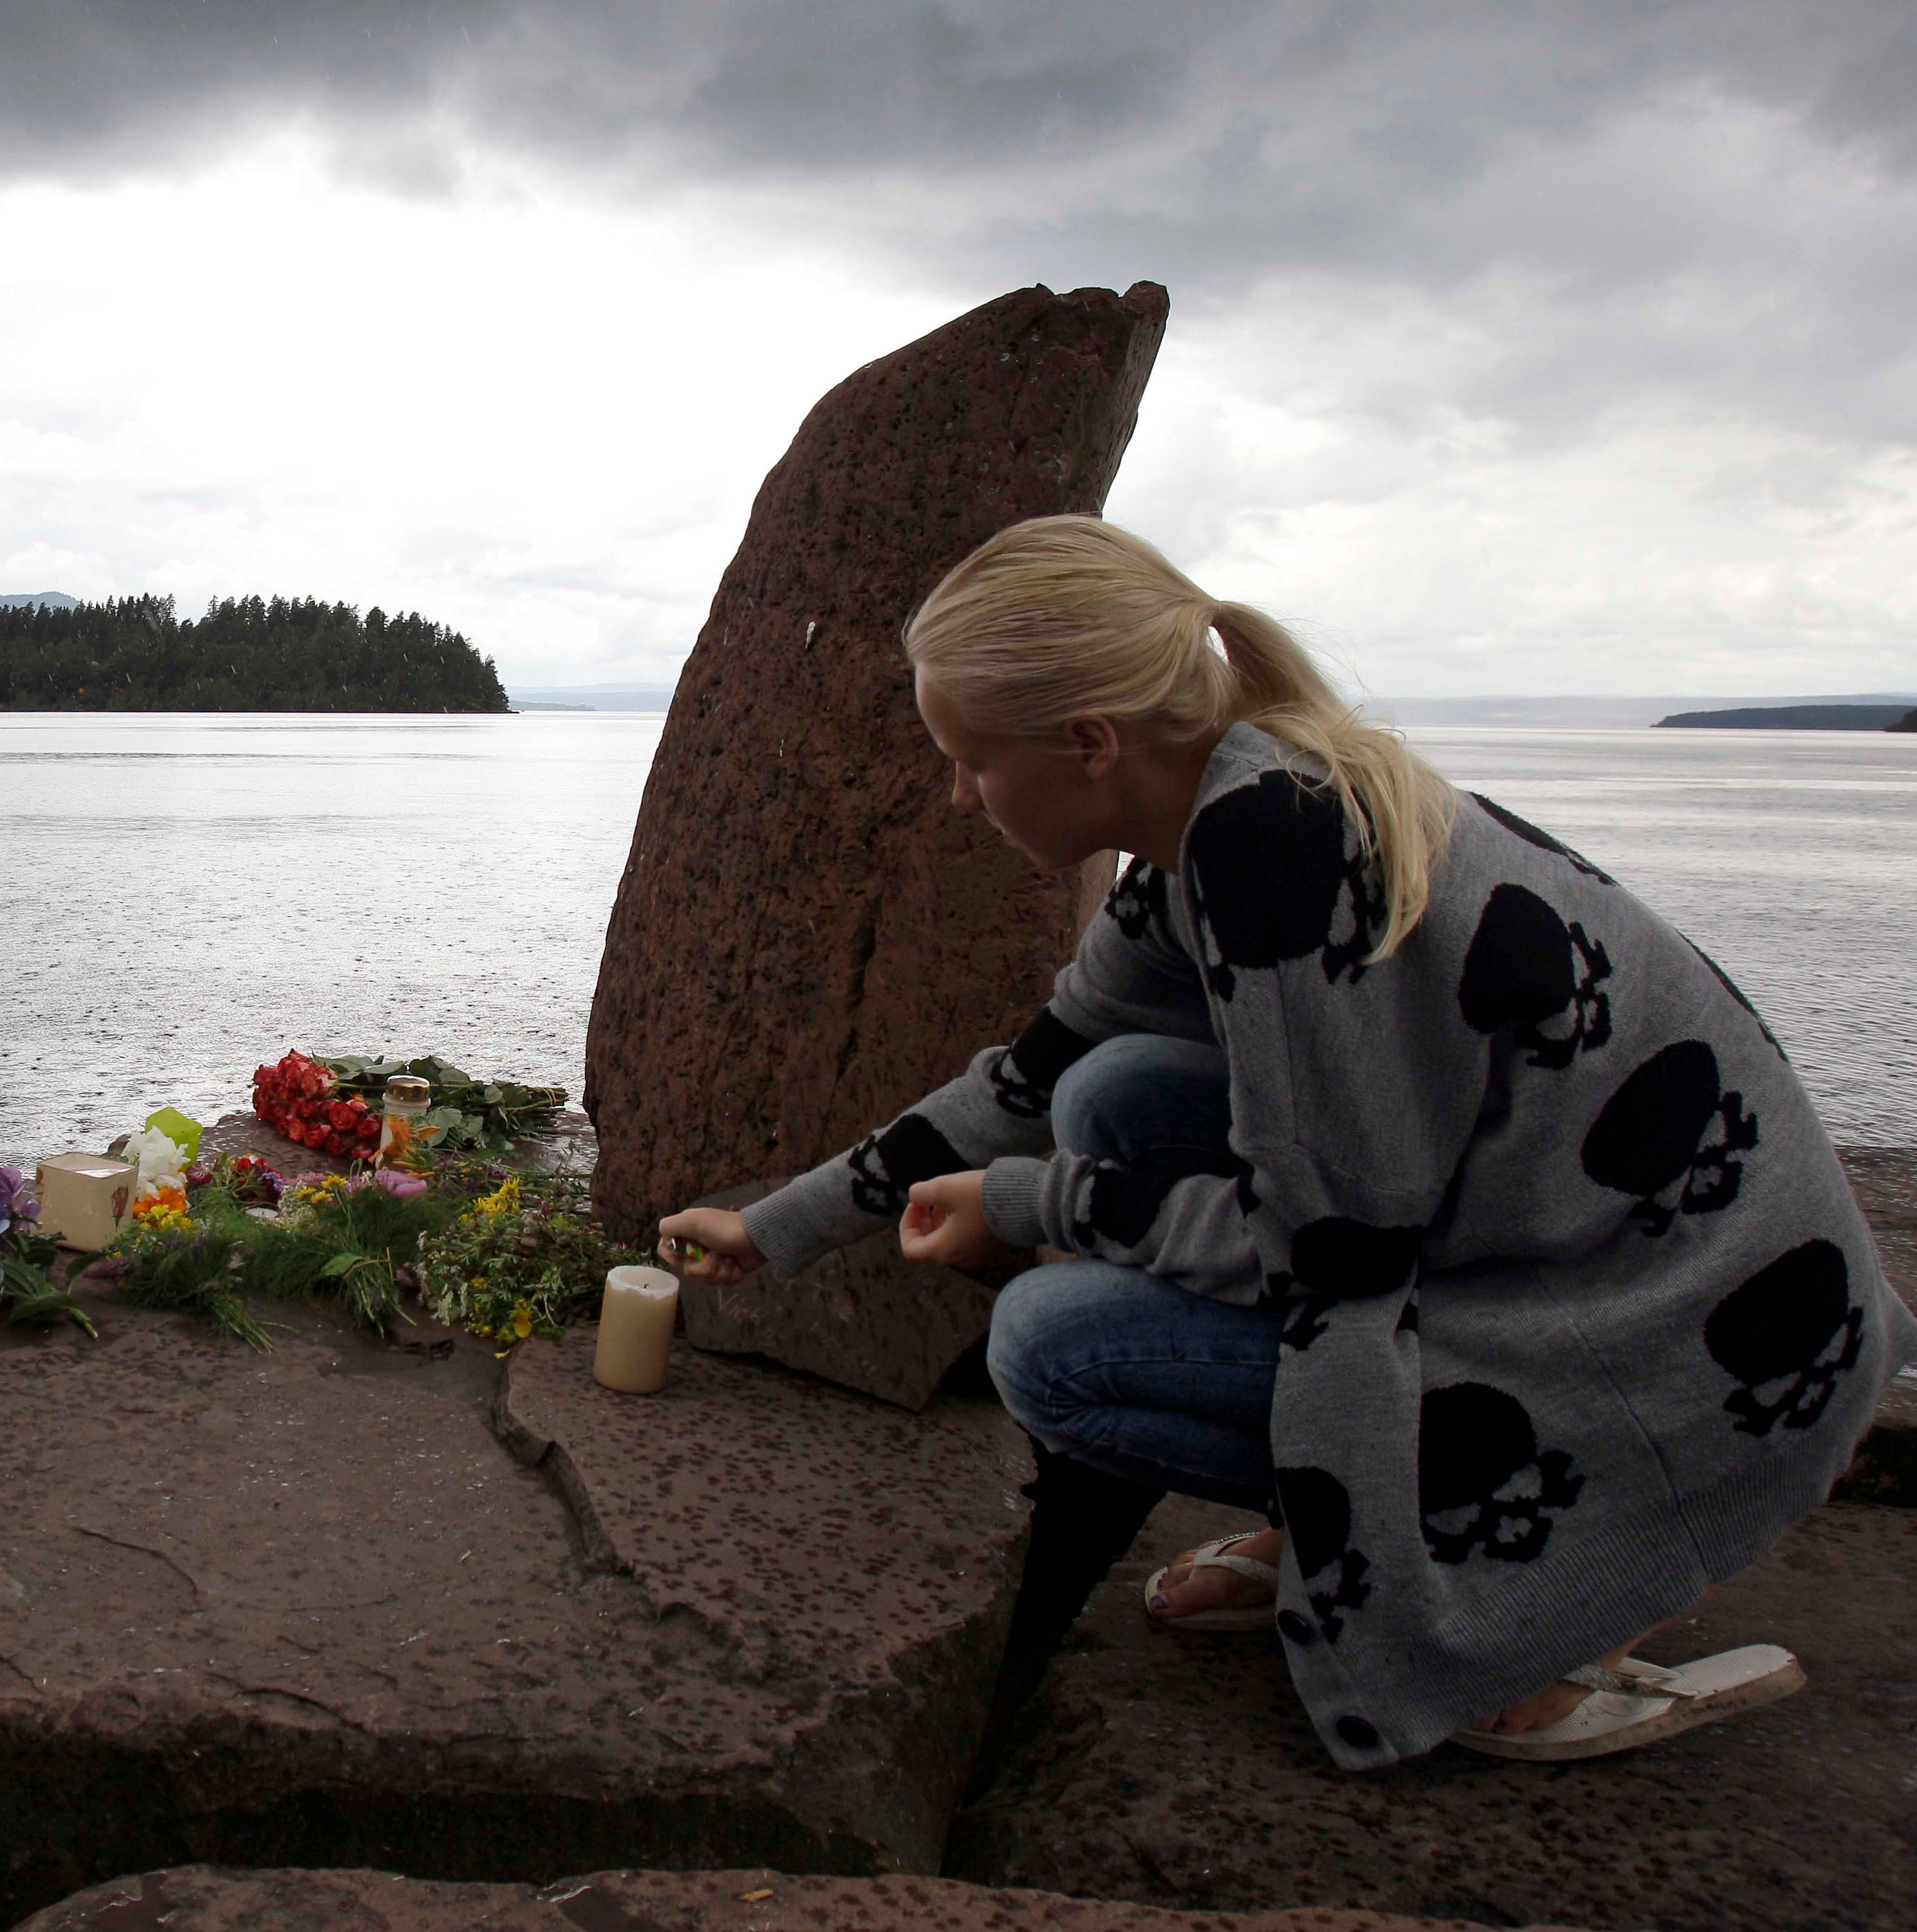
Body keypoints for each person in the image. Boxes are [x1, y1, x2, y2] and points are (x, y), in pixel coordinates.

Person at [655, 515, 1914, 1767]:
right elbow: (1030, 1076)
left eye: (971, 761)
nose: (957, 793)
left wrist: (1033, 1205)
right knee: (1118, 1090)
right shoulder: (1215, 823)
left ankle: (1520, 1625)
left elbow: (1328, 1250)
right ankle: (1335, 1518)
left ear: (1088, 743)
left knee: (1048, 1346)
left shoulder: (1279, 862)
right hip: (1550, 1251)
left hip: (1679, 1342)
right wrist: (778, 1226)